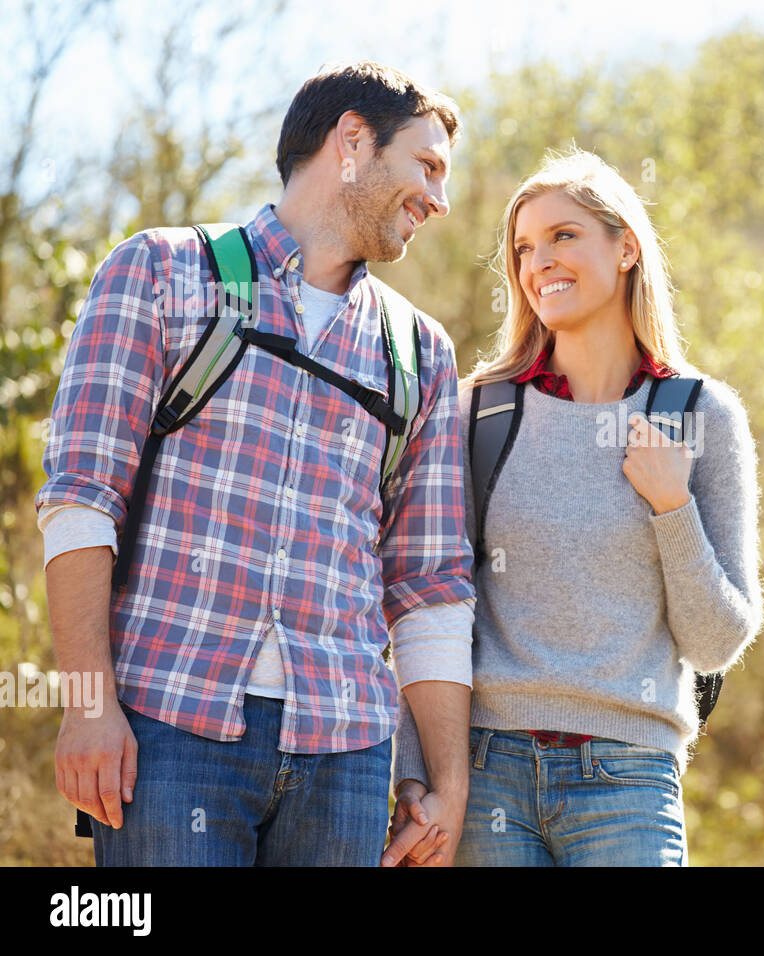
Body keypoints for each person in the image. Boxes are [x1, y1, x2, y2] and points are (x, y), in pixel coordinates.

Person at [36, 61, 477, 866]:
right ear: (352, 141)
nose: (439, 200)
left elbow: (430, 584)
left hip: (347, 754)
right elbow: (80, 499)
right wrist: (87, 705)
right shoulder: (162, 273)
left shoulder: (420, 353)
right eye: (427, 165)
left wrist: (440, 779)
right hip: (169, 726)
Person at [382, 146, 764, 867]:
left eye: (564, 236)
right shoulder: (482, 414)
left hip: (629, 779)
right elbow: (425, 602)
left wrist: (672, 505)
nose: (539, 263)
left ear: (625, 248)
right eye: (524, 247)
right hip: (487, 771)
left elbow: (715, 642)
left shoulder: (700, 414)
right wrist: (418, 769)